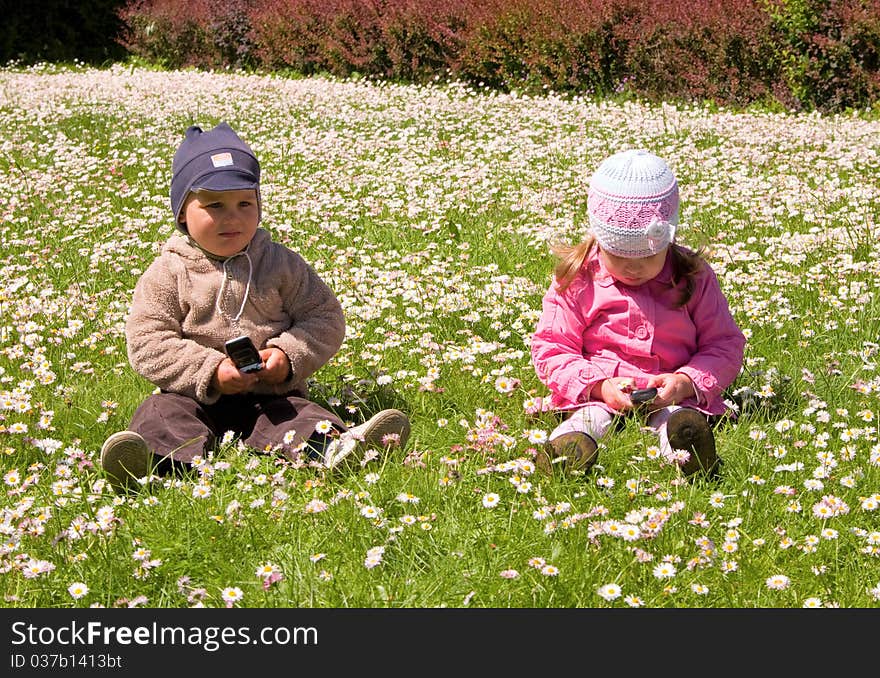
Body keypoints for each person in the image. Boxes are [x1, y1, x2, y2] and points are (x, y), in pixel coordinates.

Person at [100, 122, 410, 491]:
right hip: (192, 395)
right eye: (214, 205)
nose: (232, 217)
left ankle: (338, 449)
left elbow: (324, 317)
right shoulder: (168, 273)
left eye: (244, 203)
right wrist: (211, 371)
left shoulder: (281, 264)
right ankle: (149, 466)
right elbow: (148, 343)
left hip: (271, 394)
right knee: (159, 415)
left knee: (300, 416)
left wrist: (287, 356)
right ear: (182, 212)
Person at [530, 149, 745, 478]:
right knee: (590, 418)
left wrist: (687, 381)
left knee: (675, 418)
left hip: (669, 390)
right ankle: (567, 451)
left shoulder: (693, 278)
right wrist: (598, 386)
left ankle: (687, 451)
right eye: (617, 253)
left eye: (647, 255)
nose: (633, 266)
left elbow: (723, 344)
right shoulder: (579, 278)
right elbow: (552, 346)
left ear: (668, 238)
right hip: (600, 391)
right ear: (598, 238)